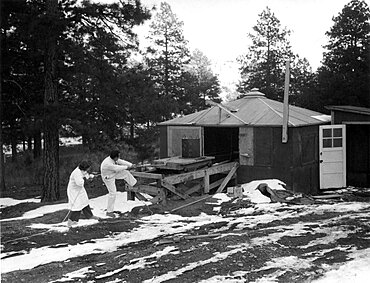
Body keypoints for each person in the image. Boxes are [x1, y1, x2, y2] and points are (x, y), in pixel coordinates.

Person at [100, 150, 137, 217]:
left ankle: (134, 184)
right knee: (113, 193)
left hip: (113, 173)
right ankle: (109, 212)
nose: (119, 157)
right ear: (115, 157)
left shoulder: (113, 159)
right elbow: (117, 168)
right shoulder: (107, 163)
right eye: (118, 156)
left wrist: (131, 165)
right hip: (108, 177)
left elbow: (121, 161)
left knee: (126, 173)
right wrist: (128, 167)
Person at [67, 160, 99, 228]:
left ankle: (90, 216)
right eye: (87, 169)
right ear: (83, 168)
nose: (88, 170)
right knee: (77, 205)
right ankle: (71, 221)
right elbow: (80, 183)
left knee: (84, 201)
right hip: (74, 191)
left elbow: (85, 174)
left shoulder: (81, 170)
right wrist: (85, 179)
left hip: (79, 189)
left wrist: (89, 176)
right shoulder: (76, 173)